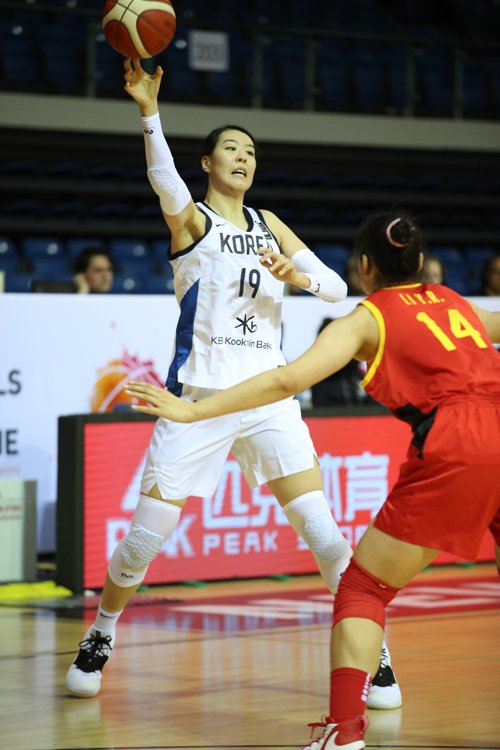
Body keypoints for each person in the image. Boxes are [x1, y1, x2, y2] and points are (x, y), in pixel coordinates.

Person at [65, 59, 400, 709]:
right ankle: (102, 631)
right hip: (200, 400)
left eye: (251, 151)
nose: (244, 157)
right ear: (208, 164)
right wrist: (148, 113)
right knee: (143, 541)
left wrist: (295, 271)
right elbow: (161, 180)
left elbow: (336, 286)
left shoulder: (270, 224)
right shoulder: (192, 222)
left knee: (325, 536)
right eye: (231, 149)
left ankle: (373, 652)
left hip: (272, 398)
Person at [124, 209, 500, 750]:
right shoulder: (457, 303)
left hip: (459, 440)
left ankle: (343, 734)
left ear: (365, 266)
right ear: (420, 262)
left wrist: (193, 413)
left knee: (364, 588)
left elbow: (286, 379)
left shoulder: (367, 319)